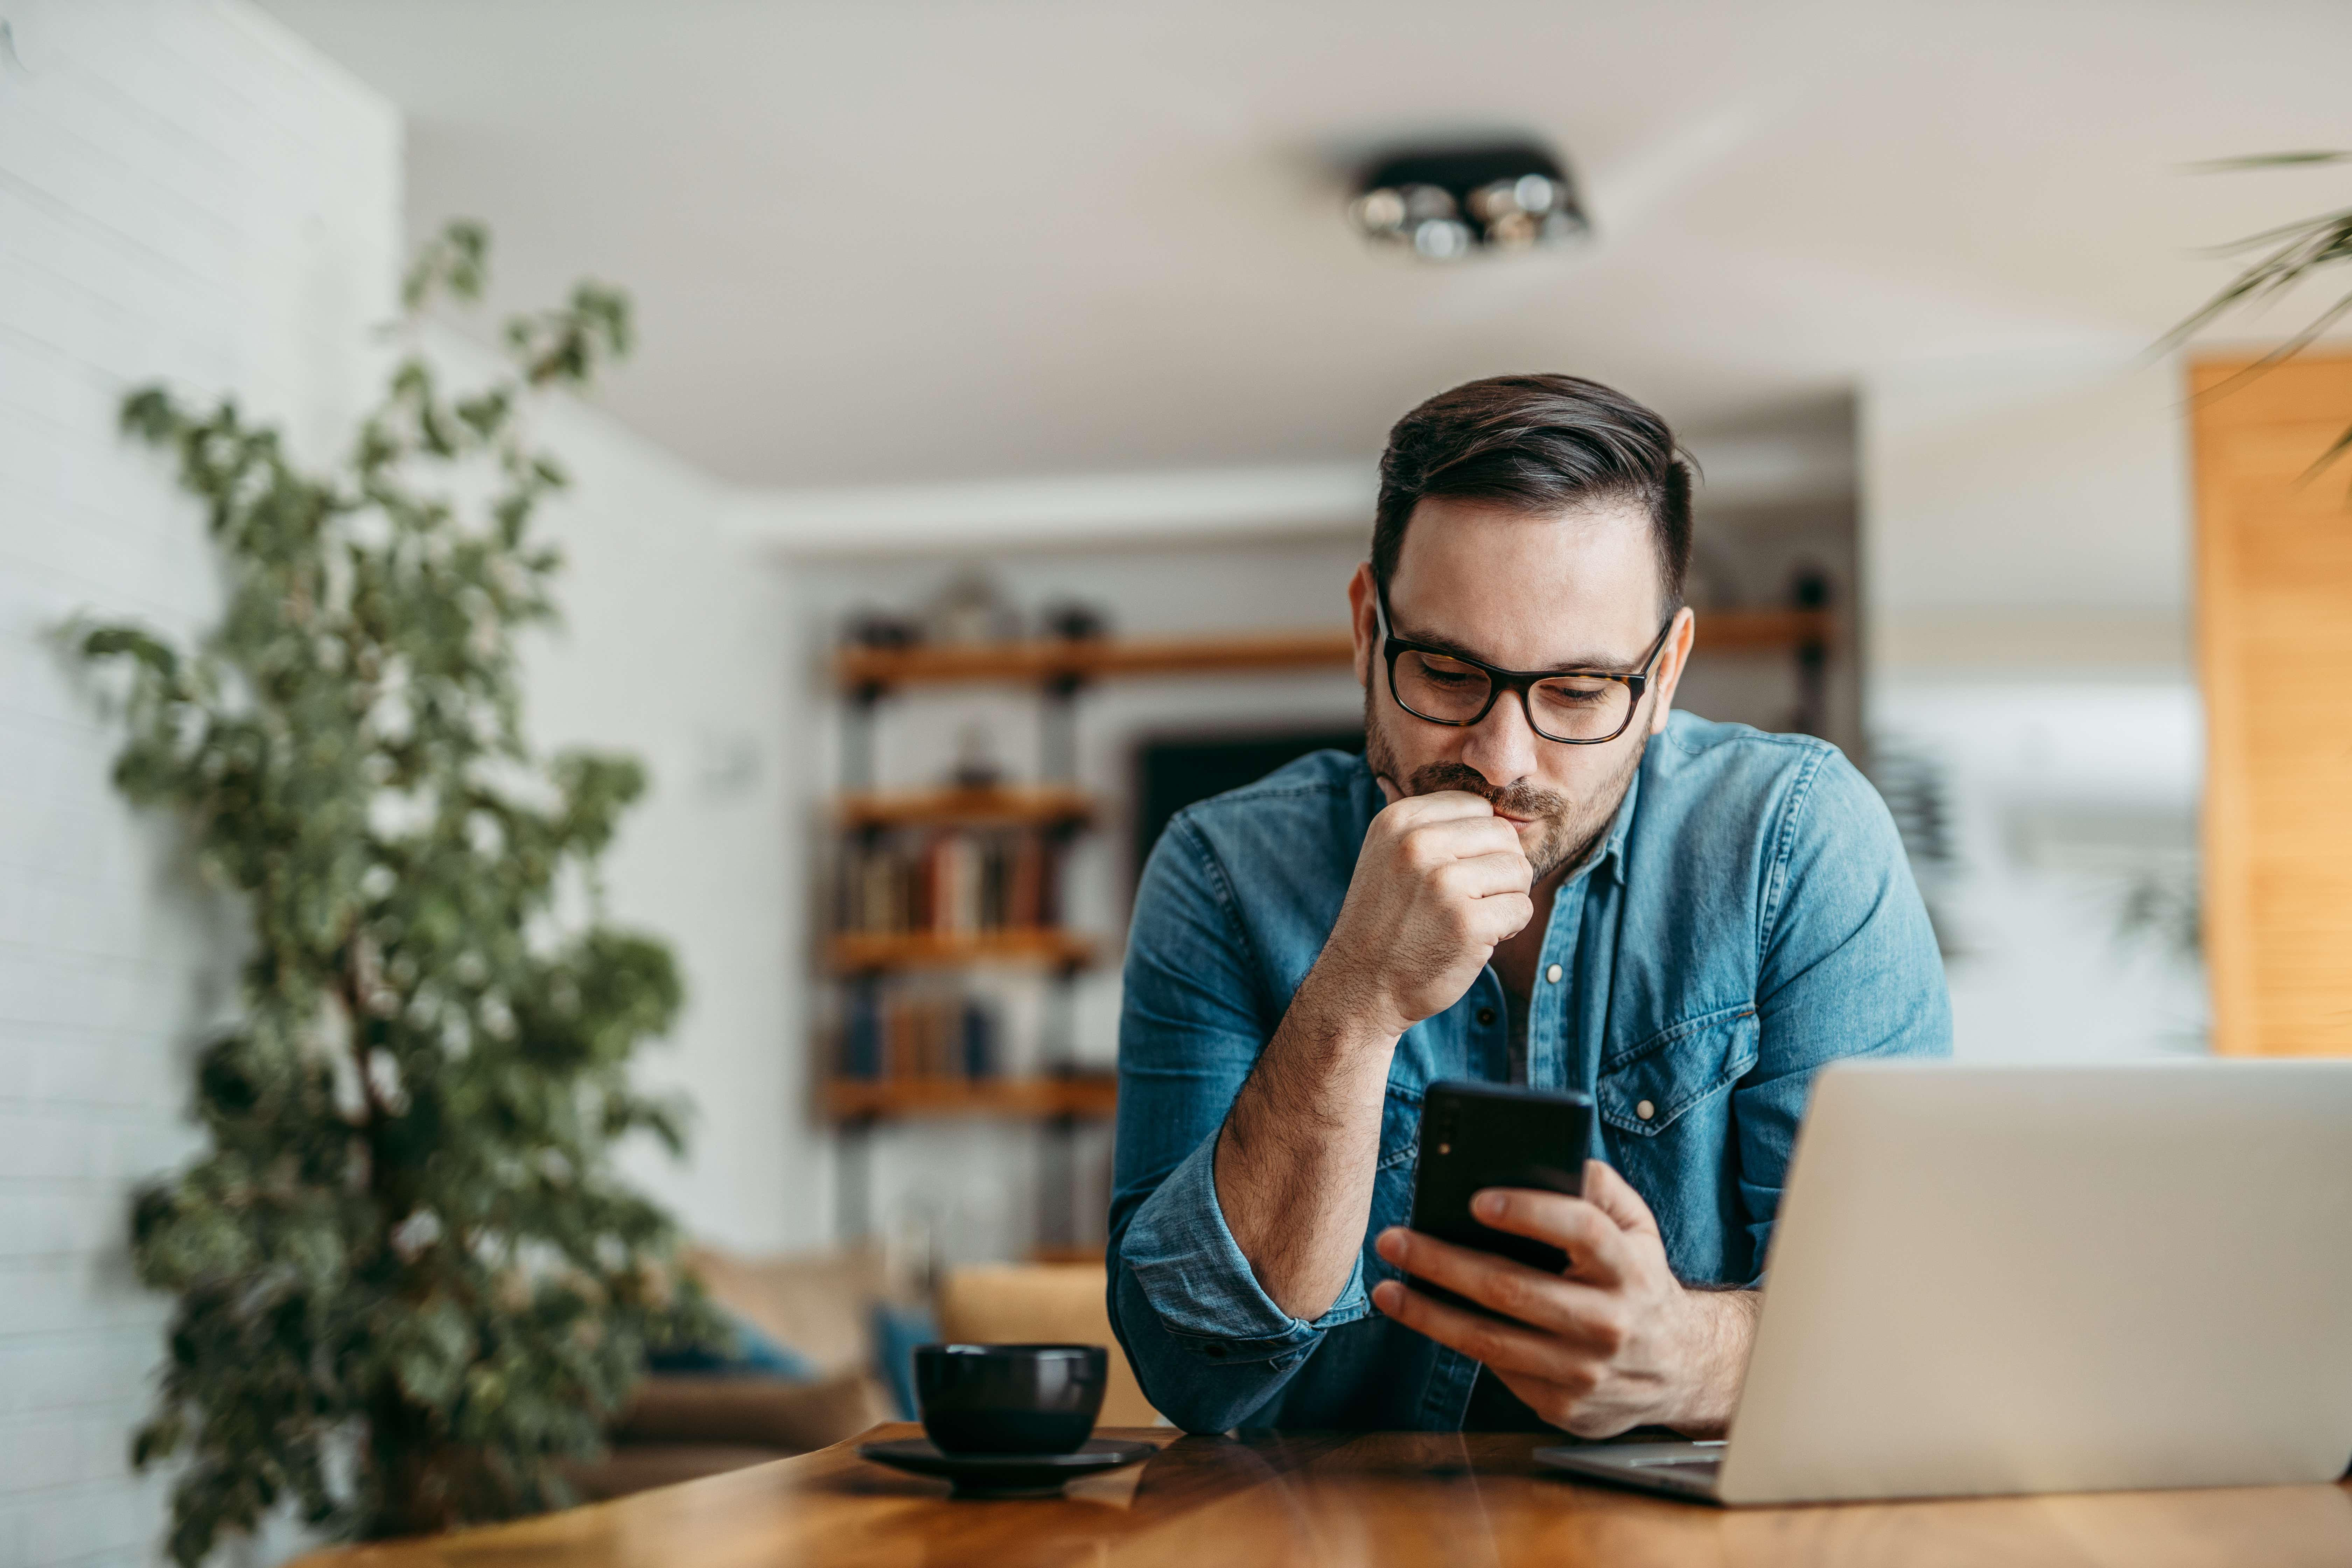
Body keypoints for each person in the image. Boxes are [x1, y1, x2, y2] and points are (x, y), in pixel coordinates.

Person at [1105, 374, 1950, 1437]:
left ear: (1667, 672)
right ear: (1370, 632)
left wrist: (1684, 1361)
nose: (1502, 760)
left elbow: (1904, 1336)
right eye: (1450, 672)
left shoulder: (1798, 840)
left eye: (1580, 692)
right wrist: (1354, 1004)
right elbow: (1193, 1372)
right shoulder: (1220, 871)